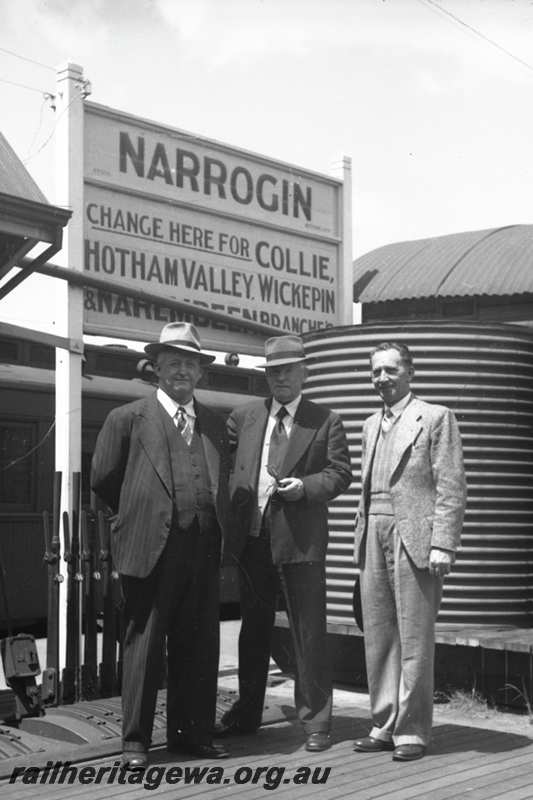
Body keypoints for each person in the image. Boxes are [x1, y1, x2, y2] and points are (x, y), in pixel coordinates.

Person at [91, 322, 231, 768]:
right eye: (173, 361)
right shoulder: (127, 419)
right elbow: (103, 483)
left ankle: (192, 736)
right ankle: (135, 742)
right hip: (150, 551)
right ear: (156, 367)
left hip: (202, 552)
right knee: (145, 647)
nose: (181, 370)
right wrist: (136, 522)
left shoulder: (212, 423)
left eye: (190, 362)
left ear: (201, 373)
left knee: (199, 646)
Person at [216, 334, 352, 752]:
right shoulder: (243, 417)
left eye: (288, 371)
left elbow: (340, 473)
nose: (281, 379)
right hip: (254, 542)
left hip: (300, 544)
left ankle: (316, 722)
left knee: (307, 635)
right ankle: (249, 713)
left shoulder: (325, 420)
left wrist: (305, 487)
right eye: (274, 372)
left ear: (304, 373)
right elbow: (229, 473)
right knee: (252, 633)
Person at [353, 341, 467, 762]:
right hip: (373, 535)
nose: (382, 378)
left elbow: (451, 484)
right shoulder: (368, 423)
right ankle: (383, 723)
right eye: (376, 371)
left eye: (390, 370)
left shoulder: (435, 417)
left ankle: (412, 731)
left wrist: (443, 543)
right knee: (379, 636)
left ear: (409, 372)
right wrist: (361, 540)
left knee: (414, 637)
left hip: (416, 538)